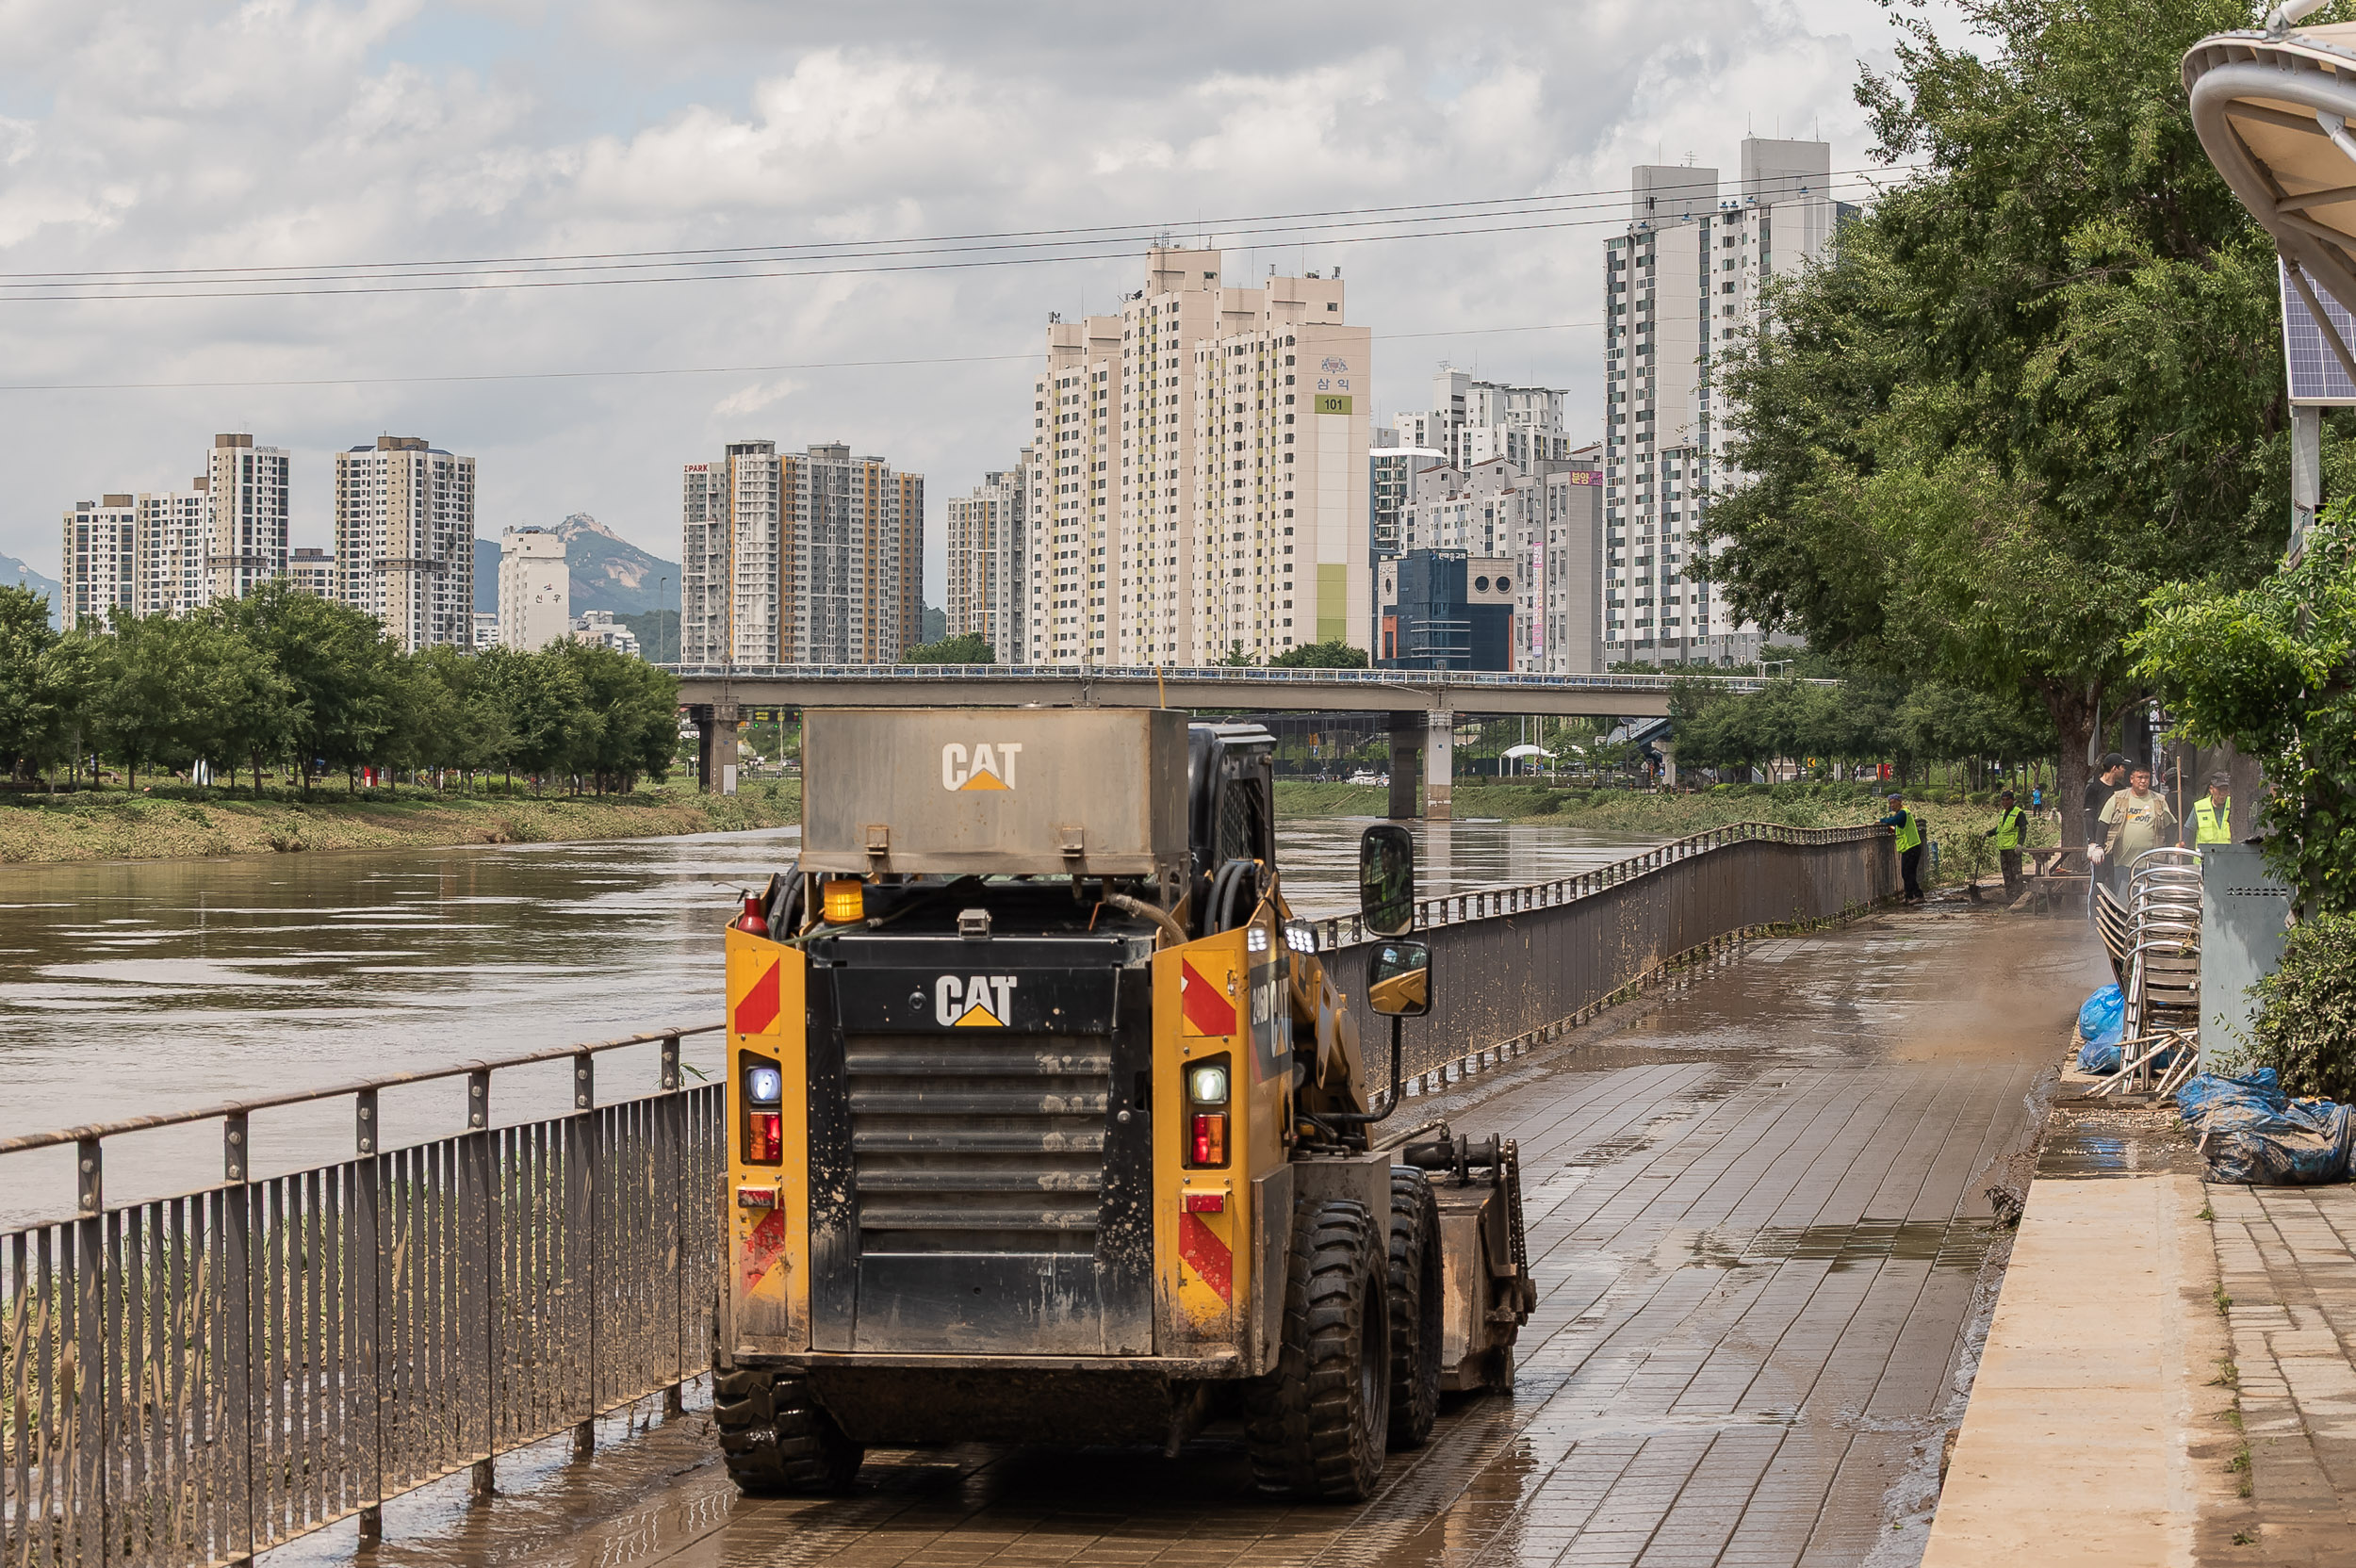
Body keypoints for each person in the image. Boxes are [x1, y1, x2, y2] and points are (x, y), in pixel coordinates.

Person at [2097, 762, 2178, 888]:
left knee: (2148, 901)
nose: (2143, 781)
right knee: (2124, 901)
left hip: (2151, 863)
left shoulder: (2159, 800)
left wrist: (2173, 848)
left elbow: (2170, 827)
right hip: (2123, 863)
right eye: (2140, 777)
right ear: (2131, 779)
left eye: (2146, 778)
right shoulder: (2118, 798)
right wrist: (2098, 846)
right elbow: (2103, 823)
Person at [1879, 792, 1926, 902]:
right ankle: (1909, 896)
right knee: (1907, 873)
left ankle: (1918, 895)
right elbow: (1898, 827)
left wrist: (1881, 821)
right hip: (1910, 847)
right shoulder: (1903, 813)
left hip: (1911, 848)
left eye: (1894, 802)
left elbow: (1893, 821)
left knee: (1907, 873)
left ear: (1900, 802)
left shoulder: (1903, 813)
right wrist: (1890, 829)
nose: (1892, 805)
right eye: (1890, 803)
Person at [1985, 789, 2030, 899]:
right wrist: (1988, 833)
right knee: (2007, 874)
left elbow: (2023, 830)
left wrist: (2020, 844)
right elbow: (2000, 828)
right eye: (2003, 800)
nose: (2005, 803)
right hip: (2003, 849)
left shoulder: (2018, 813)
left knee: (2016, 874)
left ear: (2013, 800)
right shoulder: (2003, 813)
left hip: (2013, 849)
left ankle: (2018, 896)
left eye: (2007, 800)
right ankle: (2010, 896)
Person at [2083, 753, 2127, 850]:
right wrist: (2092, 841)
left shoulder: (2121, 790)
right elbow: (2090, 816)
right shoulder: (2093, 789)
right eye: (2122, 767)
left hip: (2117, 839)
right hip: (2100, 839)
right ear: (2114, 768)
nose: (2125, 770)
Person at [2185, 772, 2233, 848]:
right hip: (2205, 859)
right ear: (2211, 789)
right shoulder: (2200, 807)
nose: (2222, 793)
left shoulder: (2233, 806)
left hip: (2227, 858)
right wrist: (2182, 844)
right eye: (2219, 789)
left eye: (2225, 789)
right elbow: (2188, 832)